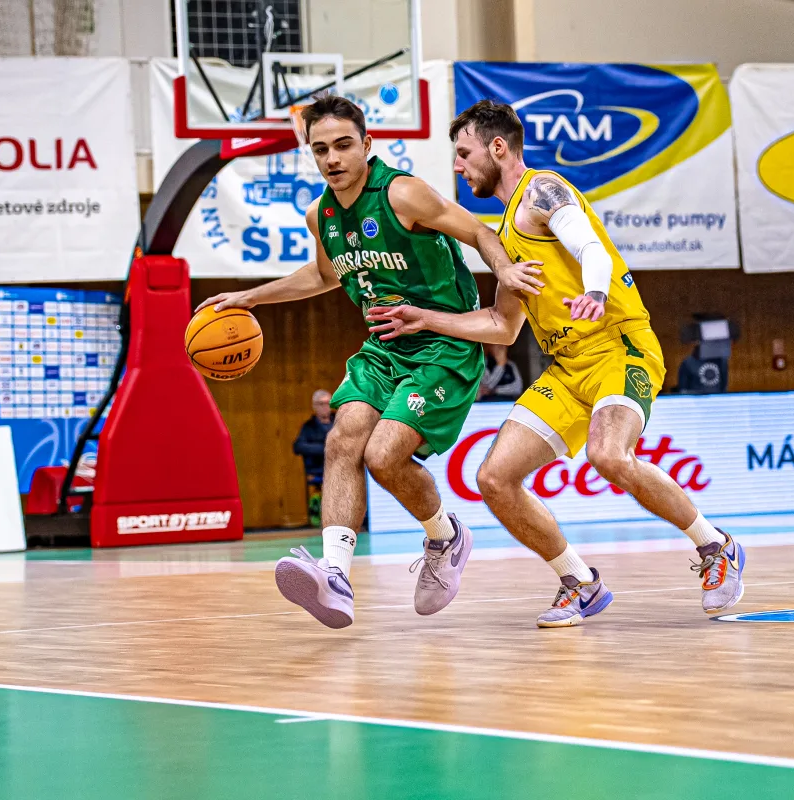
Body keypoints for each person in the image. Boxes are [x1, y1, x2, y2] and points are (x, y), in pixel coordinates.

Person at [369, 100, 745, 627]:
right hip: (567, 369)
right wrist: (424, 319)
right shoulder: (502, 238)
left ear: (497, 148)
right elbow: (502, 327)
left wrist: (594, 290)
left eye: (463, 152)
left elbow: (590, 246)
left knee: (608, 455)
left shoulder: (543, 190)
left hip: (619, 346)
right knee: (494, 478)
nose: (458, 166)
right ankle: (579, 582)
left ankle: (715, 547)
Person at [198, 96, 541, 630]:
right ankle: (335, 576)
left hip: (442, 345)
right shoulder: (321, 213)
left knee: (384, 456)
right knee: (343, 437)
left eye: (342, 146)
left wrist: (505, 273)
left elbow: (480, 231)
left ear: (366, 146)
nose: (332, 158)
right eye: (320, 150)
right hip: (383, 349)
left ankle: (445, 537)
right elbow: (324, 277)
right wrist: (252, 297)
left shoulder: (402, 193)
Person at [294, 389, 335, 526]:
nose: (325, 407)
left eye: (328, 403)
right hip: (318, 469)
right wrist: (325, 449)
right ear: (314, 406)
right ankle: (318, 509)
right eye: (321, 404)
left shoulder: (339, 421)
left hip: (339, 467)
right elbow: (298, 446)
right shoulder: (308, 427)